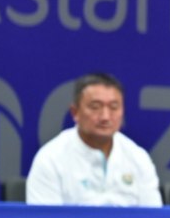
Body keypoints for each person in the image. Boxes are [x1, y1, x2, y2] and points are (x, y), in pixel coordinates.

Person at [26, 73, 162, 207]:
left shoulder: (138, 158)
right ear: (75, 112)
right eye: (95, 107)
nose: (105, 117)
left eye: (114, 107)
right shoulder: (50, 159)